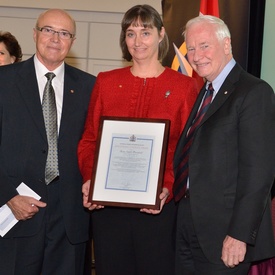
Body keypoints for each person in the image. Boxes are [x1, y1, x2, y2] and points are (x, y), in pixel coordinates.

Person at [78, 4, 198, 275]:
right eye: (130, 33)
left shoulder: (184, 87)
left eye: (145, 32)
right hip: (108, 208)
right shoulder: (106, 82)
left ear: (161, 34)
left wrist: (167, 185)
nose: (137, 41)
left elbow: (189, 149)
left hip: (158, 207)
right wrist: (90, 179)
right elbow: (89, 140)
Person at [173, 15, 275, 275]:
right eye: (191, 49)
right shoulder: (205, 91)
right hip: (187, 226)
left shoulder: (254, 92)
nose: (196, 56)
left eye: (204, 46)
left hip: (224, 236)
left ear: (227, 44)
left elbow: (259, 172)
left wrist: (239, 234)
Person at [0, 9, 96, 275]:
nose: (55, 38)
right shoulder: (4, 81)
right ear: (34, 34)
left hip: (70, 221)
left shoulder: (90, 87)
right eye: (48, 30)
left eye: (64, 33)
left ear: (72, 41)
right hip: (15, 215)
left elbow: (94, 146)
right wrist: (8, 196)